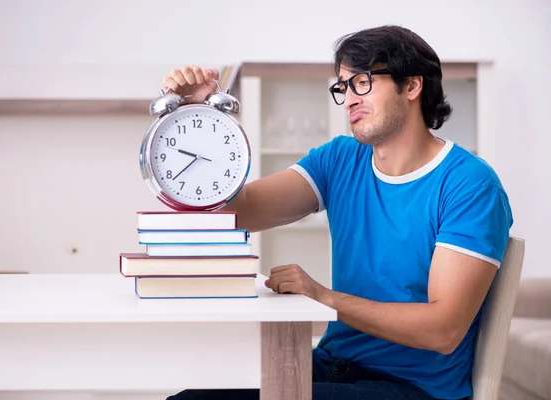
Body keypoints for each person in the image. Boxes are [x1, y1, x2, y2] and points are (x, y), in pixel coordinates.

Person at [162, 25, 513, 400]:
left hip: (411, 388)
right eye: (342, 87)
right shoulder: (341, 159)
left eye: (362, 82)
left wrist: (322, 296)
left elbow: (443, 330)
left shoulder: (470, 184)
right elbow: (239, 211)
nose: (348, 99)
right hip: (333, 367)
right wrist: (198, 122)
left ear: (412, 85)